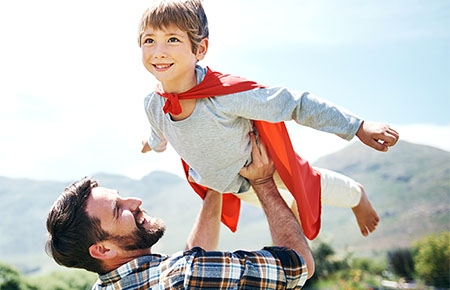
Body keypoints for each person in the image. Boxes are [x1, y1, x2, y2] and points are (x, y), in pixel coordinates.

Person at [139, 0, 399, 238]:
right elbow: (158, 134)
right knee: (286, 213)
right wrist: (150, 143)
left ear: (201, 48)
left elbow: (297, 104)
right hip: (232, 185)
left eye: (172, 39)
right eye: (149, 40)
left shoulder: (227, 96)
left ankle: (356, 195)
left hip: (260, 170)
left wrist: (358, 126)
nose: (158, 51)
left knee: (312, 186)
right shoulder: (153, 104)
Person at [46, 134, 314, 289]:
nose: (135, 201)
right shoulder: (184, 276)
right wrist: (263, 182)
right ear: (102, 250)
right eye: (119, 209)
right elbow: (298, 266)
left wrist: (214, 185)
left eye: (122, 198)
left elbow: (190, 262)